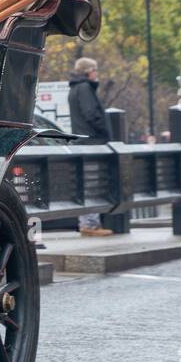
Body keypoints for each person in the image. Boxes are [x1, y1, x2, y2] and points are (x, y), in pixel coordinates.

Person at [69, 57, 113, 237]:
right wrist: (104, 131)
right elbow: (91, 114)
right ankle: (90, 225)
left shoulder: (75, 88)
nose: (97, 73)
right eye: (95, 70)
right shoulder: (85, 88)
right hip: (92, 142)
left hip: (84, 142)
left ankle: (89, 223)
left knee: (88, 183)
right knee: (93, 184)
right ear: (88, 72)